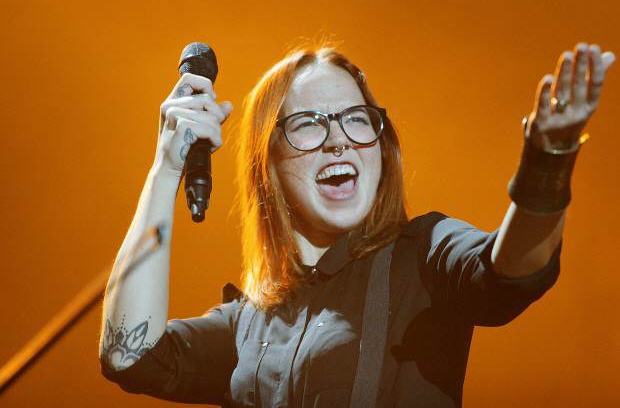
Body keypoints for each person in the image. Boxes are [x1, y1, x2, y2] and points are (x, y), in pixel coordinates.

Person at [98, 41, 615, 407]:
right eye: (308, 124)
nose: (339, 139)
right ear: (266, 163)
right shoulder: (249, 322)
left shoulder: (424, 253)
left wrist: (548, 160)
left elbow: (512, 269)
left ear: (381, 148)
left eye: (356, 118)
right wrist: (167, 167)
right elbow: (128, 356)